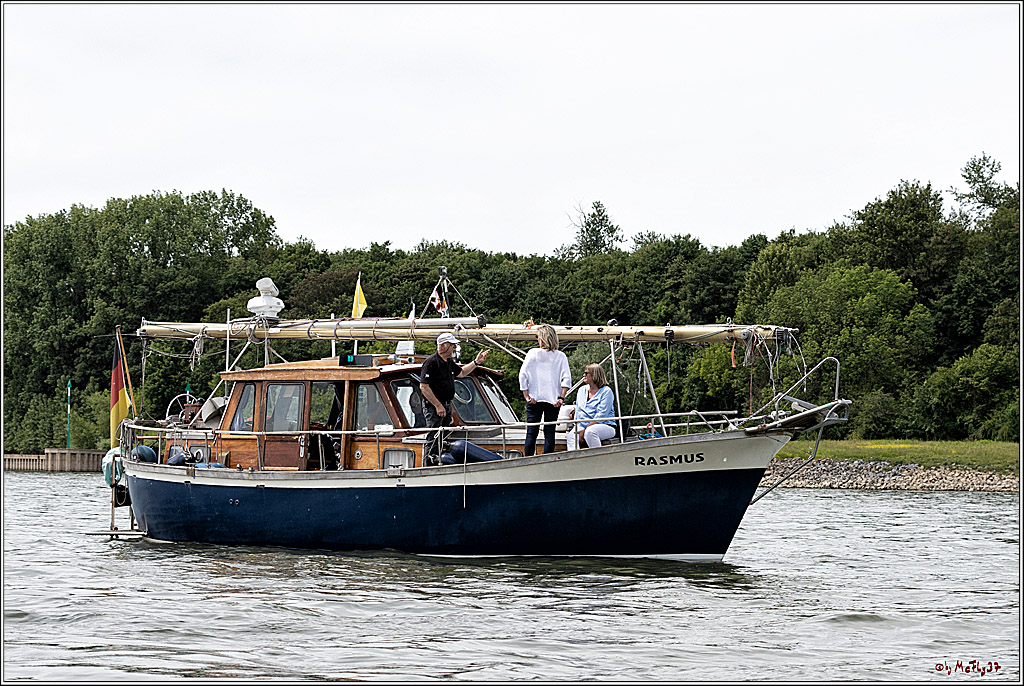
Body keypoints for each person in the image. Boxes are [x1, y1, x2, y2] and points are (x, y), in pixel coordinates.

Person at [419, 332, 489, 464]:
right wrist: (437, 405)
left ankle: (439, 461)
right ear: (444, 345)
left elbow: (461, 373)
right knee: (433, 436)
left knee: (443, 435)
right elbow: (424, 386)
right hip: (434, 407)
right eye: (452, 345)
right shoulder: (431, 363)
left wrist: (476, 362)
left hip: (446, 405)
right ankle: (427, 465)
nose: (454, 348)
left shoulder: (449, 362)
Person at [519, 324, 571, 456]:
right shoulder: (561, 356)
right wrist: (561, 397)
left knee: (531, 432)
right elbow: (566, 378)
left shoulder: (532, 353)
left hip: (534, 399)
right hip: (553, 400)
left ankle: (528, 460)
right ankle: (547, 459)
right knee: (549, 432)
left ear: (542, 338)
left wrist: (526, 395)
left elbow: (522, 375)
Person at [566, 363, 616, 450]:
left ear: (594, 375)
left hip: (604, 425)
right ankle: (576, 460)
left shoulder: (606, 392)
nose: (583, 375)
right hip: (582, 424)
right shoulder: (581, 390)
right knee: (571, 437)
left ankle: (597, 459)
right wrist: (577, 426)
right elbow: (578, 411)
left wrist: (585, 430)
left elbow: (602, 415)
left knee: (590, 432)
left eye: (586, 373)